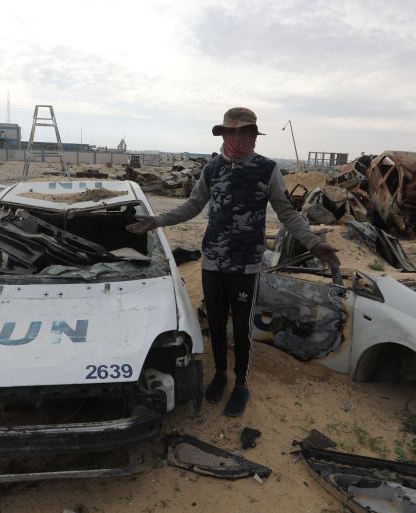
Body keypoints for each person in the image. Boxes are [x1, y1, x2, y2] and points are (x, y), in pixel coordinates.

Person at [127, 107, 339, 417]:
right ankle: (220, 375)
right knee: (215, 324)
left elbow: (287, 213)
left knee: (241, 329)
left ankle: (241, 384)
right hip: (213, 262)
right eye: (232, 131)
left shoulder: (267, 169)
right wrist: (157, 221)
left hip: (246, 265)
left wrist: (314, 242)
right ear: (224, 134)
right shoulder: (212, 169)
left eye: (245, 131)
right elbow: (192, 206)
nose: (238, 137)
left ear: (254, 135)